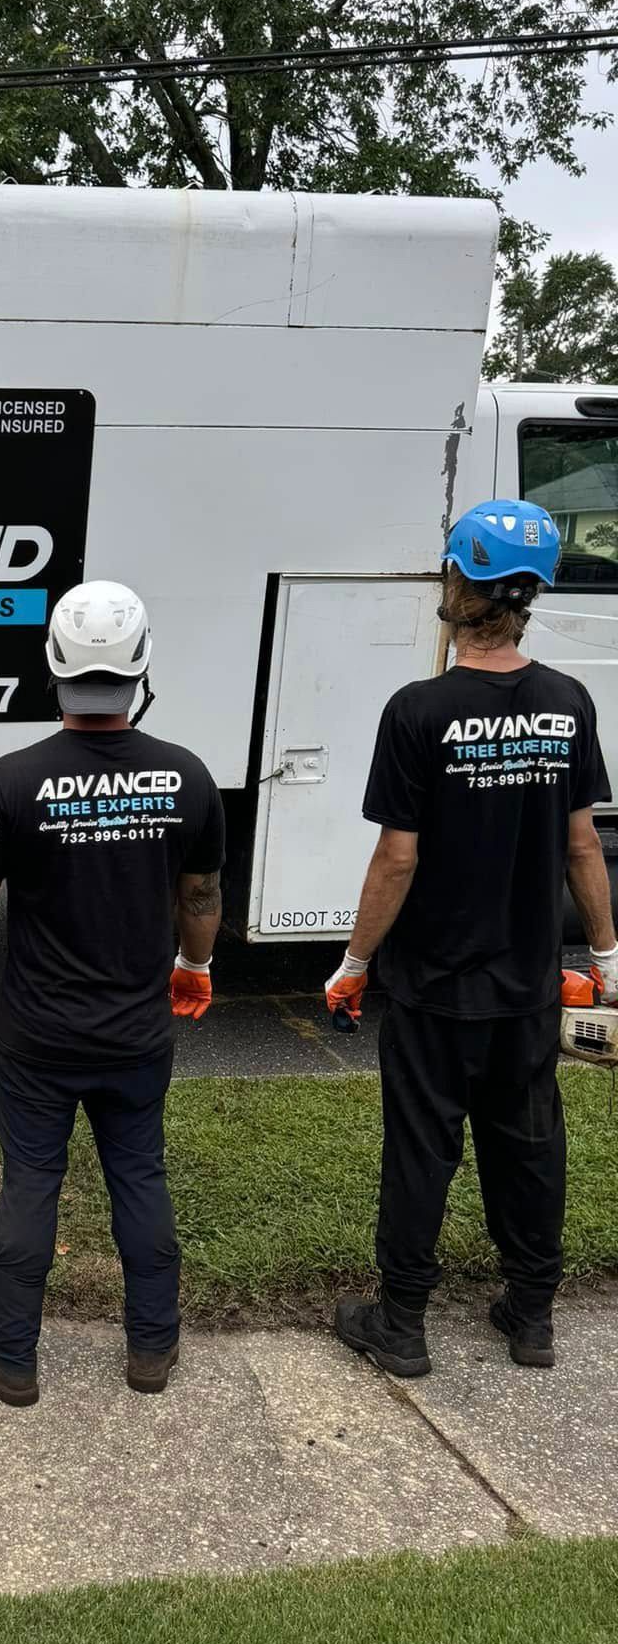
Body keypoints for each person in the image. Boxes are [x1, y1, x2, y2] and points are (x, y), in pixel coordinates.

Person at [327, 500, 615, 1376]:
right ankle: (531, 1319)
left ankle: (403, 1327)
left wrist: (354, 963)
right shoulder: (568, 701)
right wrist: (605, 957)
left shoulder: (419, 710)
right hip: (528, 982)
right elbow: (580, 845)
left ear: (458, 585)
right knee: (528, 1145)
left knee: (423, 1148)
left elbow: (396, 859)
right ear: (528, 596)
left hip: (433, 984)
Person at [0, 580, 224, 1400]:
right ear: (141, 667)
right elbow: (199, 896)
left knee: (31, 1178)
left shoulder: (14, 779)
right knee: (140, 1174)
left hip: (39, 1035)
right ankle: (152, 1351)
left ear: (53, 664)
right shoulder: (187, 776)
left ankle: (10, 1356)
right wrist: (194, 968)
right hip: (137, 1031)